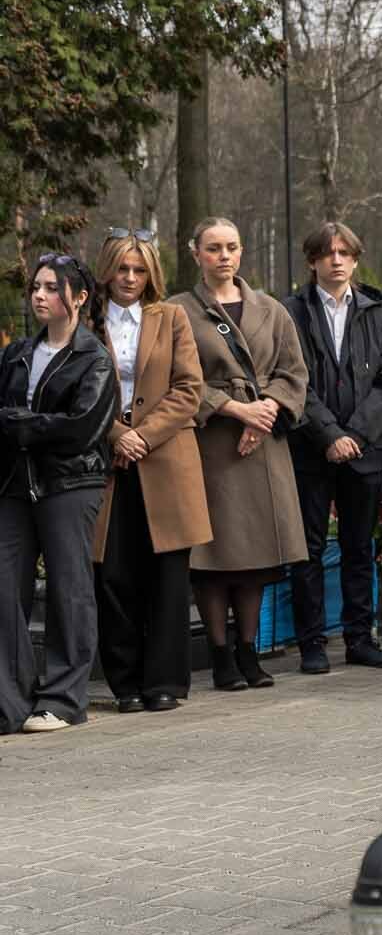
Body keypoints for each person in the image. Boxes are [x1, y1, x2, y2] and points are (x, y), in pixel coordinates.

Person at [171, 218, 310, 693]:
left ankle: (248, 652)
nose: (224, 256)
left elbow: (294, 373)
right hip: (211, 444)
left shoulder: (272, 309)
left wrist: (264, 411)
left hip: (262, 445)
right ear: (196, 253)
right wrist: (233, 409)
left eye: (231, 247)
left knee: (255, 557)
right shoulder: (177, 311)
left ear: (242, 251)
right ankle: (220, 656)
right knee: (213, 558)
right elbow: (174, 378)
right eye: (213, 248)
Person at [90, 234, 210, 714]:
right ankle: (125, 684)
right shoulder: (87, 320)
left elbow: (189, 389)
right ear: (107, 271)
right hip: (105, 461)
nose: (130, 278)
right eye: (122, 269)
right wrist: (116, 434)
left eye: (139, 270)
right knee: (113, 574)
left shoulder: (172, 317)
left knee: (167, 576)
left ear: (151, 274)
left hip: (165, 459)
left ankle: (165, 682)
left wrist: (141, 436)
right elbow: (76, 390)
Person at [0, 255, 116, 733]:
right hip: (14, 484)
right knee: (4, 585)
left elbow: (83, 428)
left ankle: (64, 700)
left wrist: (23, 425)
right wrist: (27, 426)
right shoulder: (16, 354)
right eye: (36, 287)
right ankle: (9, 703)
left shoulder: (94, 358)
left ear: (79, 297)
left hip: (70, 483)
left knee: (69, 588)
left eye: (52, 287)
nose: (39, 295)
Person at [283, 221, 382, 674]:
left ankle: (360, 638)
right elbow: (294, 379)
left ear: (355, 259)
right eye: (327, 253)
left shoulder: (376, 313)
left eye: (344, 253)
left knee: (358, 547)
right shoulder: (291, 312)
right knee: (309, 550)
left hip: (362, 450)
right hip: (310, 449)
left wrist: (355, 434)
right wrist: (330, 435)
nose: (336, 260)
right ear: (312, 260)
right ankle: (311, 643)